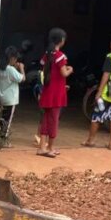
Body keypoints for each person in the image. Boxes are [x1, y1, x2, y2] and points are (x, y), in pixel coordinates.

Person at [36, 27, 72, 158]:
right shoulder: (60, 56)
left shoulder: (47, 54)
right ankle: (50, 147)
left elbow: (43, 66)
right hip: (57, 93)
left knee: (45, 119)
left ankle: (42, 147)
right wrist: (70, 69)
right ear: (62, 41)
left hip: (47, 90)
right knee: (54, 120)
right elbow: (63, 73)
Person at [0, 45, 25, 140]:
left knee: (3, 118)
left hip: (3, 97)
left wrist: (15, 68)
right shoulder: (11, 69)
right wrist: (21, 68)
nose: (16, 61)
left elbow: (12, 77)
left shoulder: (2, 68)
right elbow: (22, 79)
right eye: (16, 59)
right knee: (8, 120)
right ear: (12, 58)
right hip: (11, 99)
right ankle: (3, 140)